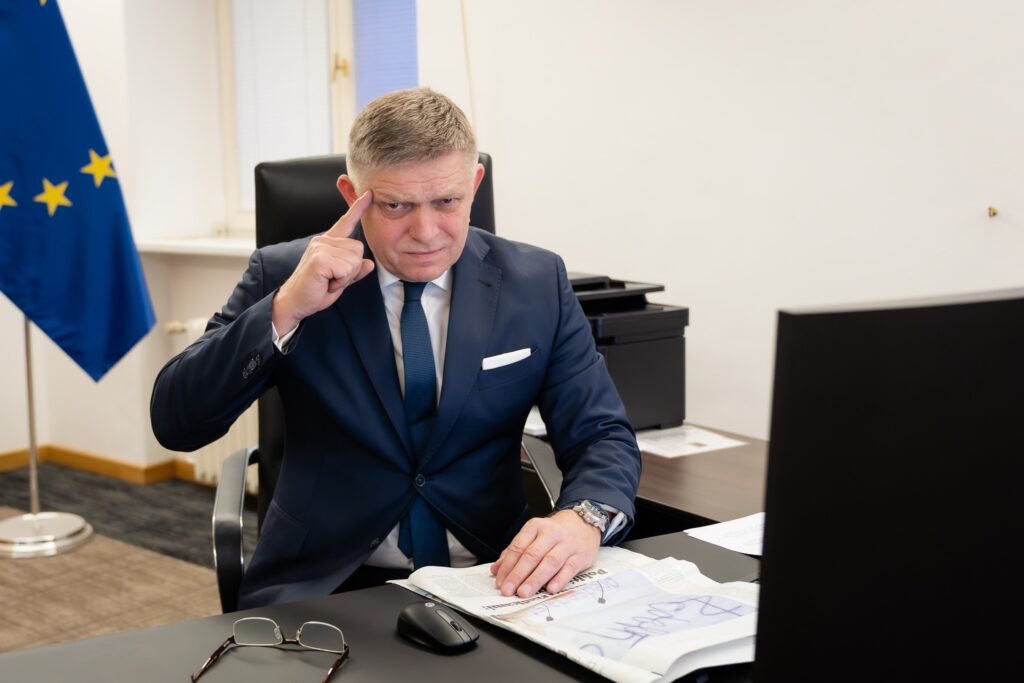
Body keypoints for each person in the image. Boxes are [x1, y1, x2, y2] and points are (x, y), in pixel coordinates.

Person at [151, 88, 641, 609]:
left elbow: (601, 433)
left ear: (474, 184)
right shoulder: (283, 275)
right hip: (327, 581)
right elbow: (178, 422)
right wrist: (284, 310)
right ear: (351, 194)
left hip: (495, 575)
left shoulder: (535, 281)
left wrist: (584, 518)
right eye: (395, 205)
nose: (425, 232)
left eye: (447, 201)